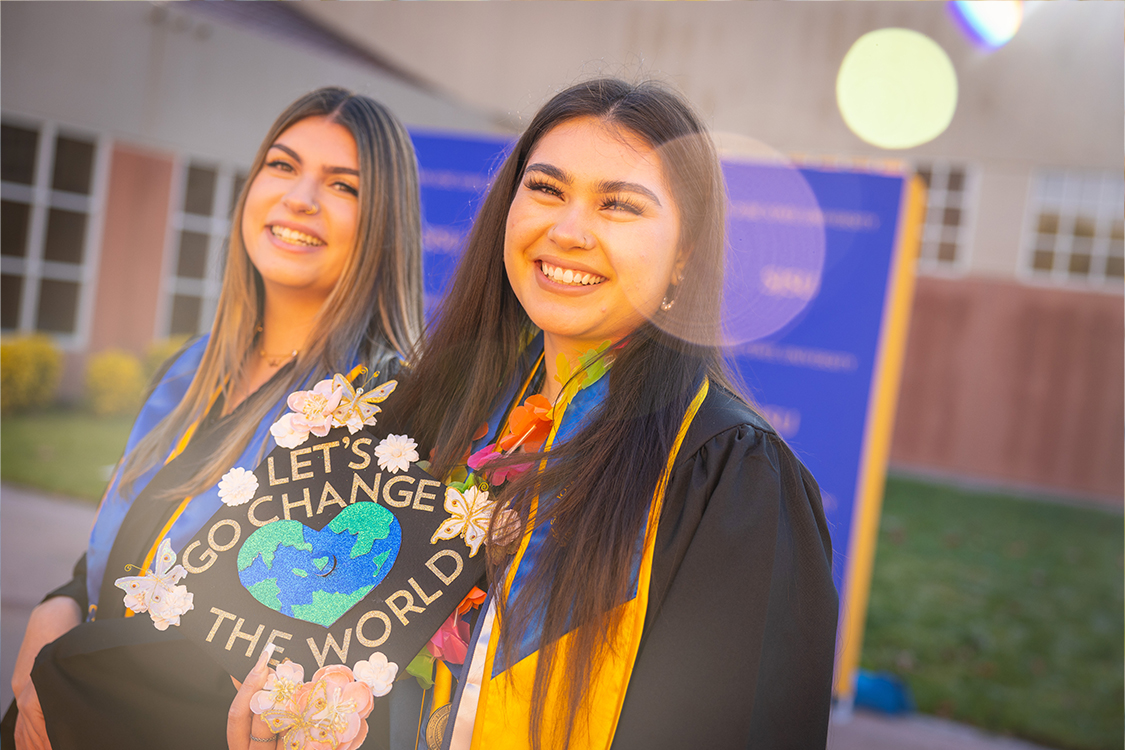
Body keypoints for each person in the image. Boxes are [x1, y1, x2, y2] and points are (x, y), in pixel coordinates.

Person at [231, 77, 838, 750]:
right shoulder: (438, 421)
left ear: (683, 257)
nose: (568, 231)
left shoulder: (727, 478)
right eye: (546, 190)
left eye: (620, 206)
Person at [5, 86, 424, 750]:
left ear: (384, 221)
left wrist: (66, 670)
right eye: (282, 166)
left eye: (343, 185)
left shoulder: (381, 413)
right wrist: (56, 606)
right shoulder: (193, 370)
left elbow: (311, 659)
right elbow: (131, 544)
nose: (300, 198)